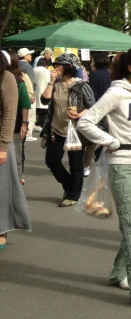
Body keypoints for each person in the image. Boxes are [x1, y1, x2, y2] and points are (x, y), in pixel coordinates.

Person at [77, 47, 131, 308]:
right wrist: (111, 141)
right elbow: (86, 122)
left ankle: (118, 273)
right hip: (122, 164)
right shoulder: (116, 93)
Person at [40, 53, 95, 207]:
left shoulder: (81, 85)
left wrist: (80, 114)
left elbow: (92, 106)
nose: (56, 67)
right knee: (51, 160)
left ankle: (73, 196)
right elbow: (44, 100)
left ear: (68, 67)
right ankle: (70, 184)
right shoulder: (56, 84)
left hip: (76, 132)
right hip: (56, 130)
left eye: (59, 65)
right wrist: (51, 82)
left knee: (76, 164)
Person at [0, 52, 31, 251]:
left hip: (1, 142)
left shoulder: (7, 78)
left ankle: (1, 230)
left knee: (2, 190)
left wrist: (3, 146)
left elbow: (10, 113)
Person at [6, 52, 31, 184]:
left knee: (16, 153)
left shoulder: (19, 81)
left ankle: (17, 179)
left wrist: (24, 123)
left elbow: (25, 103)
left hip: (15, 124)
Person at [33, 58, 51, 132]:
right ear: (46, 64)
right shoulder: (46, 71)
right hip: (44, 91)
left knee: (36, 109)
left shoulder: (33, 70)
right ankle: (38, 124)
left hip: (35, 91)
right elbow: (49, 82)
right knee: (44, 110)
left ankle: (35, 123)